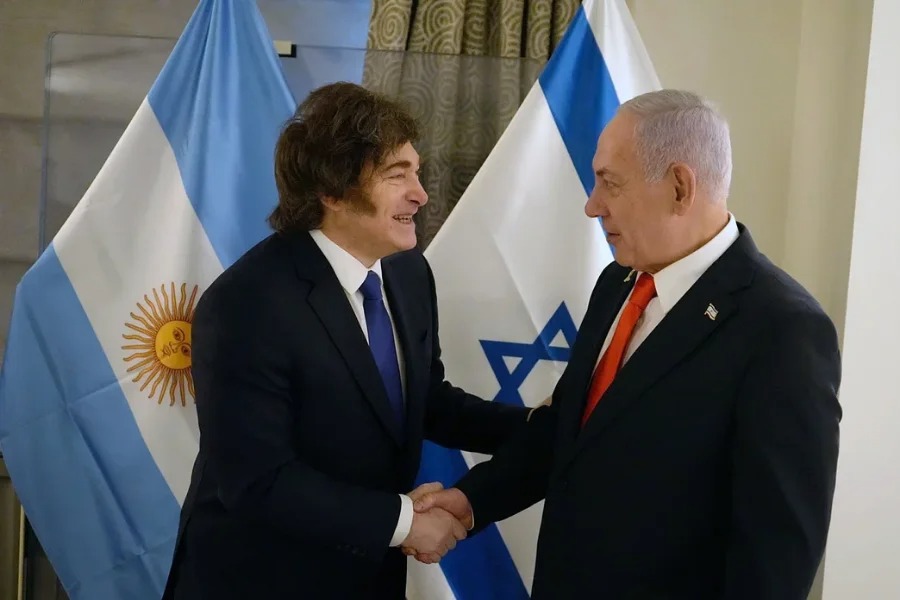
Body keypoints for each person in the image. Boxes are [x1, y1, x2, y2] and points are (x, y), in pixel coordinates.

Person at [413, 89, 842, 599]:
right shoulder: (618, 283)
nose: (592, 205)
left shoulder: (782, 329)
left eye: (610, 183)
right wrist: (471, 501)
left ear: (680, 187)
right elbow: (569, 432)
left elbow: (776, 554)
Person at [161, 82, 531, 600]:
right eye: (396, 175)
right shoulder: (247, 303)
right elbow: (258, 480)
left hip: (366, 578)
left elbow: (424, 401)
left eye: (416, 171)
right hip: (261, 581)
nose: (420, 194)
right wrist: (405, 522)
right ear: (331, 192)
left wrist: (535, 427)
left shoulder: (408, 273)